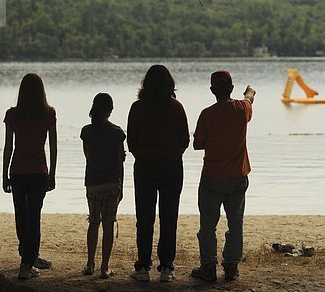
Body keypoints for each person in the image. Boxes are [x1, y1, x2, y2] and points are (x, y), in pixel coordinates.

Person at [190, 70, 255, 282]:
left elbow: (197, 144)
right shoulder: (242, 109)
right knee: (235, 223)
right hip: (238, 176)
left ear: (212, 90)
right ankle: (231, 267)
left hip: (212, 177)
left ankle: (208, 266)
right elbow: (249, 99)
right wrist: (250, 92)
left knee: (208, 224)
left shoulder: (207, 114)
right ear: (231, 88)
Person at [127, 64, 189, 282]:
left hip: (144, 166)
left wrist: (144, 154)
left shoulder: (137, 108)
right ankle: (166, 268)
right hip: (172, 166)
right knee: (168, 217)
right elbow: (185, 140)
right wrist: (172, 153)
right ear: (169, 84)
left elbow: (131, 141)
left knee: (144, 217)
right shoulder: (176, 107)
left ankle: (143, 267)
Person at [2, 73, 57, 279]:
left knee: (22, 216)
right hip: (38, 172)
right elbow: (53, 147)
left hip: (17, 171)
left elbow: (8, 146)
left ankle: (28, 257)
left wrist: (4, 173)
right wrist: (52, 173)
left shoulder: (13, 114)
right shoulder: (48, 114)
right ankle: (27, 261)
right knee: (33, 217)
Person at [80, 93, 126, 279]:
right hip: (111, 183)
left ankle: (90, 263)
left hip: (93, 183)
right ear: (110, 110)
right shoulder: (117, 133)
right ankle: (104, 267)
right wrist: (121, 185)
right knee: (108, 224)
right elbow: (119, 163)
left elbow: (89, 157)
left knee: (93, 222)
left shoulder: (86, 132)